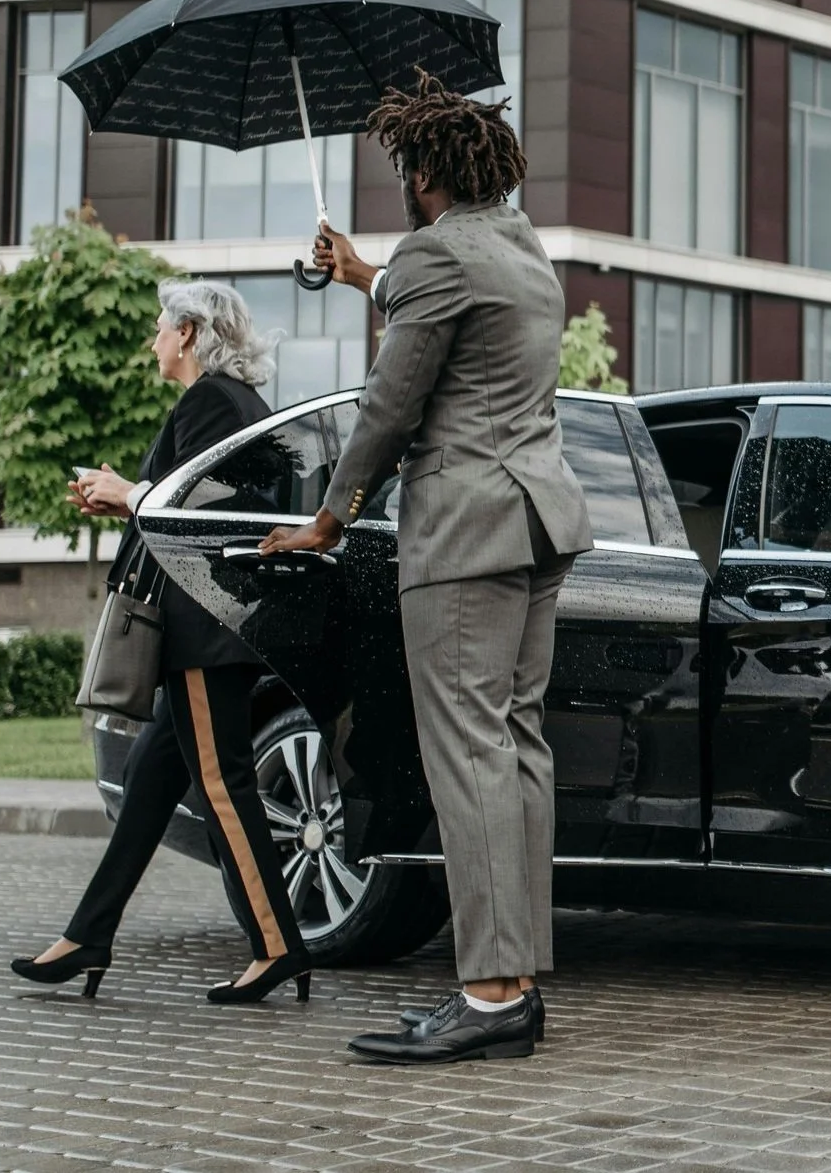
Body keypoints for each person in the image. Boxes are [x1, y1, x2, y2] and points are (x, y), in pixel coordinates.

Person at [261, 72, 592, 1065]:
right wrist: (364, 274)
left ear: (423, 175)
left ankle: (487, 994)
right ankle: (514, 981)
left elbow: (388, 407)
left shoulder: (435, 254)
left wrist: (330, 518)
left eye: (405, 169)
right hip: (537, 524)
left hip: (463, 532)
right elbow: (439, 301)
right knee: (515, 748)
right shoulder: (521, 248)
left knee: (468, 755)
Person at [12, 280, 311, 1005]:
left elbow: (204, 519)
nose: (152, 340)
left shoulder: (210, 401)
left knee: (223, 784)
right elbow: (201, 503)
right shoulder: (237, 404)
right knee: (149, 784)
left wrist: (129, 493)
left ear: (188, 332)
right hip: (213, 626)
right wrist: (127, 494)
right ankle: (89, 935)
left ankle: (278, 946)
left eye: (158, 327)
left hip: (205, 629)